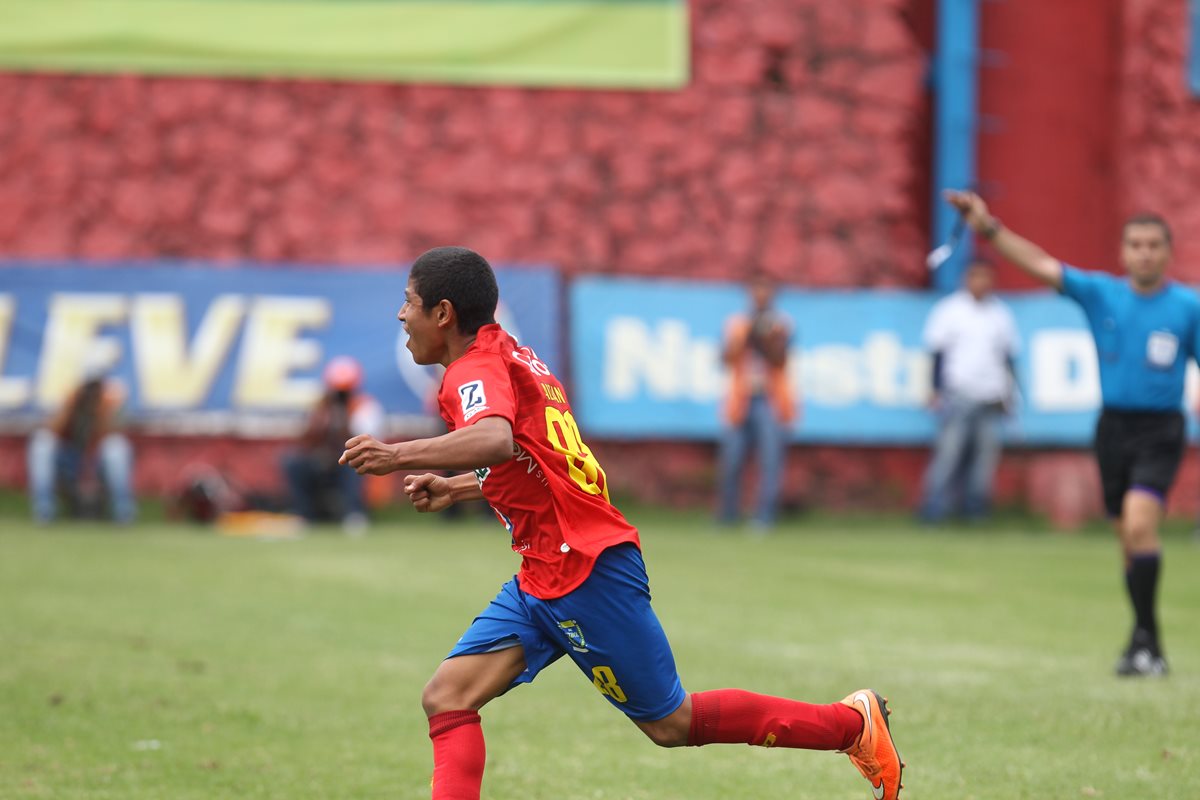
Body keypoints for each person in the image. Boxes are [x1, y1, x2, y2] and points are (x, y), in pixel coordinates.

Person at [339, 247, 903, 800]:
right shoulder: (509, 354)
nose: (400, 314)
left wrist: (396, 455)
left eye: (407, 301)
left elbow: (495, 438)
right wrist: (459, 485)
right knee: (448, 697)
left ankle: (851, 726)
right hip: (544, 570)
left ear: (442, 313)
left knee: (672, 723)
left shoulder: (477, 367)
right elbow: (542, 464)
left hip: (585, 570)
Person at [946, 190, 1200, 677]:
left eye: (1153, 245)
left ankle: (1146, 643)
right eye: (1136, 244)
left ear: (1168, 252)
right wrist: (987, 227)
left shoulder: (1187, 307)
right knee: (1127, 535)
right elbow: (1041, 265)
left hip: (1161, 429)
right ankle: (1145, 641)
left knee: (1141, 524)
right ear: (1123, 253)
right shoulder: (1102, 293)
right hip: (1112, 429)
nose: (1144, 253)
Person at [919, 260, 1020, 523]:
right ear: (966, 279)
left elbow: (1009, 358)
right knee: (949, 454)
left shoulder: (1000, 314)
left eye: (986, 277)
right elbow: (936, 353)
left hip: (991, 396)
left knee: (984, 459)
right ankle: (933, 509)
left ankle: (975, 511)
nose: (981, 283)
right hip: (958, 392)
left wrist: (1012, 394)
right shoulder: (950, 310)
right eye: (976, 276)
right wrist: (934, 388)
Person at [716, 275, 797, 529]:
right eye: (756, 290)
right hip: (741, 399)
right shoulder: (738, 323)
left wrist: (766, 338)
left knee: (770, 461)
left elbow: (780, 360)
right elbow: (726, 358)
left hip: (770, 401)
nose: (760, 295)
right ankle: (727, 516)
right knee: (731, 460)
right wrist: (748, 334)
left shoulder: (781, 324)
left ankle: (764, 517)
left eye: (766, 290)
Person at [282, 355, 383, 533]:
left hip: (349, 461)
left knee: (355, 465)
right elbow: (305, 439)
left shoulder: (365, 407)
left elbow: (365, 442)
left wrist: (341, 419)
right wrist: (319, 421)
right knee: (294, 463)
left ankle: (354, 514)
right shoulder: (321, 406)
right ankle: (304, 514)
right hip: (324, 459)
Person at [26, 363, 135, 524]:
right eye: (87, 386)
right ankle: (44, 512)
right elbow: (54, 429)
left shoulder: (110, 400)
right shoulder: (71, 398)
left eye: (95, 386)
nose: (90, 392)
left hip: (98, 460)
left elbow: (119, 429)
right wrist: (72, 405)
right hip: (70, 460)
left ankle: (123, 514)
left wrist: (102, 409)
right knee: (41, 443)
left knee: (116, 447)